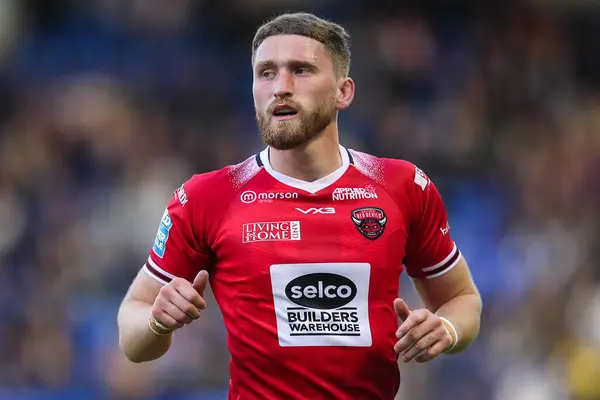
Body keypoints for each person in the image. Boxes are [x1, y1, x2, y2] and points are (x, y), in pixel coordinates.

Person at [117, 12, 482, 400]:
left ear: (344, 91)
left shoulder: (402, 186)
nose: (281, 88)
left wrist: (447, 330)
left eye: (301, 70)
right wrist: (157, 321)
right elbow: (132, 333)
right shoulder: (208, 197)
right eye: (266, 73)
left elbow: (462, 300)